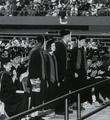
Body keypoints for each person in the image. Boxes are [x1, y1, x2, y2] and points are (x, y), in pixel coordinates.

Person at [28, 35, 45, 108]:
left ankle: (36, 112)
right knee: (36, 96)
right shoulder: (36, 52)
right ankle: (36, 113)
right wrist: (35, 79)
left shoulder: (37, 52)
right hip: (35, 79)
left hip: (36, 78)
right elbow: (32, 68)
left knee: (36, 96)